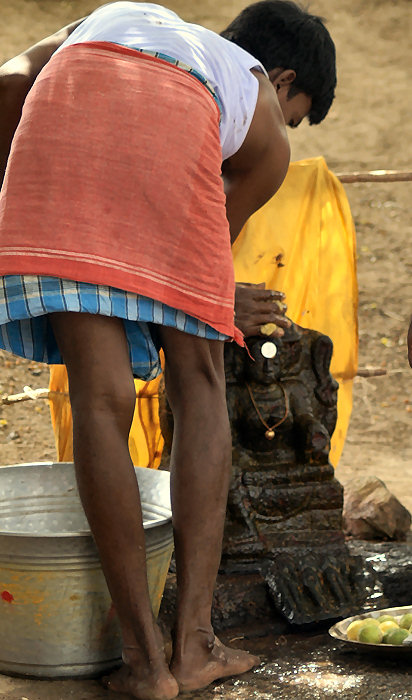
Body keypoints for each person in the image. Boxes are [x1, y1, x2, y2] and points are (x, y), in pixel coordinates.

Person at [0, 2, 336, 698]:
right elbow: (193, 269)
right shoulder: (259, 110)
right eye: (297, 112)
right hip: (173, 123)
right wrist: (215, 300)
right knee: (200, 378)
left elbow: (8, 84)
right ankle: (194, 647)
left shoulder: (121, 14)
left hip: (57, 116)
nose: (288, 124)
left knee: (100, 400)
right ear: (282, 81)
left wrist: (24, 178)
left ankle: (143, 664)